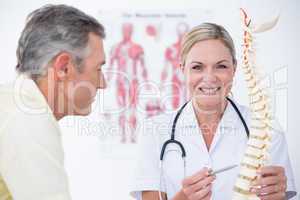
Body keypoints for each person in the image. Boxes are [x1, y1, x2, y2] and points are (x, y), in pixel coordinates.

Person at [130, 23, 297, 200]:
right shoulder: (154, 131)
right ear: (182, 69)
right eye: (197, 67)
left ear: (234, 69)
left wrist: (278, 197)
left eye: (221, 66)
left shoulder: (266, 128)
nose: (209, 77)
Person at [0, 4, 106, 200]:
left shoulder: (11, 105)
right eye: (98, 69)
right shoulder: (27, 118)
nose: (103, 84)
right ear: (63, 68)